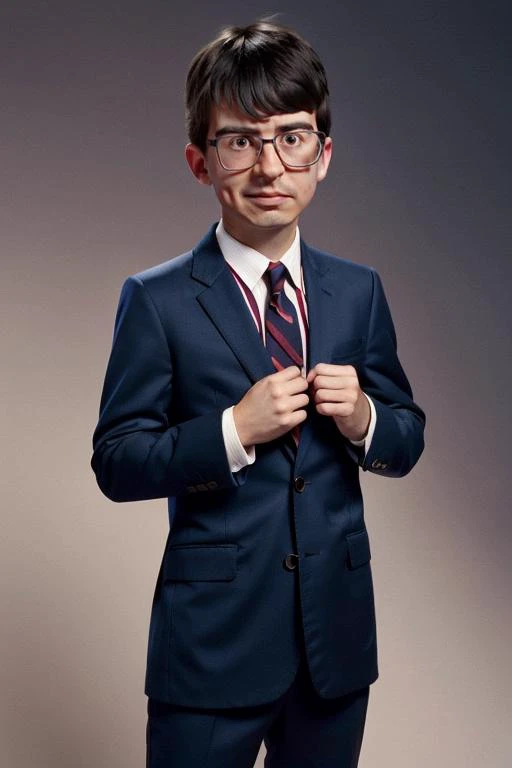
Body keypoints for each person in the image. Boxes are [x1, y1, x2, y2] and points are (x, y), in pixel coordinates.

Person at [91, 19, 425, 768]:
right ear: (200, 162)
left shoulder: (357, 291)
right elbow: (116, 461)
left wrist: (366, 417)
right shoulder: (156, 300)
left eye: (292, 138)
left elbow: (406, 437)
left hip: (333, 648)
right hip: (210, 649)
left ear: (324, 154)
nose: (270, 165)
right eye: (241, 141)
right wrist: (233, 430)